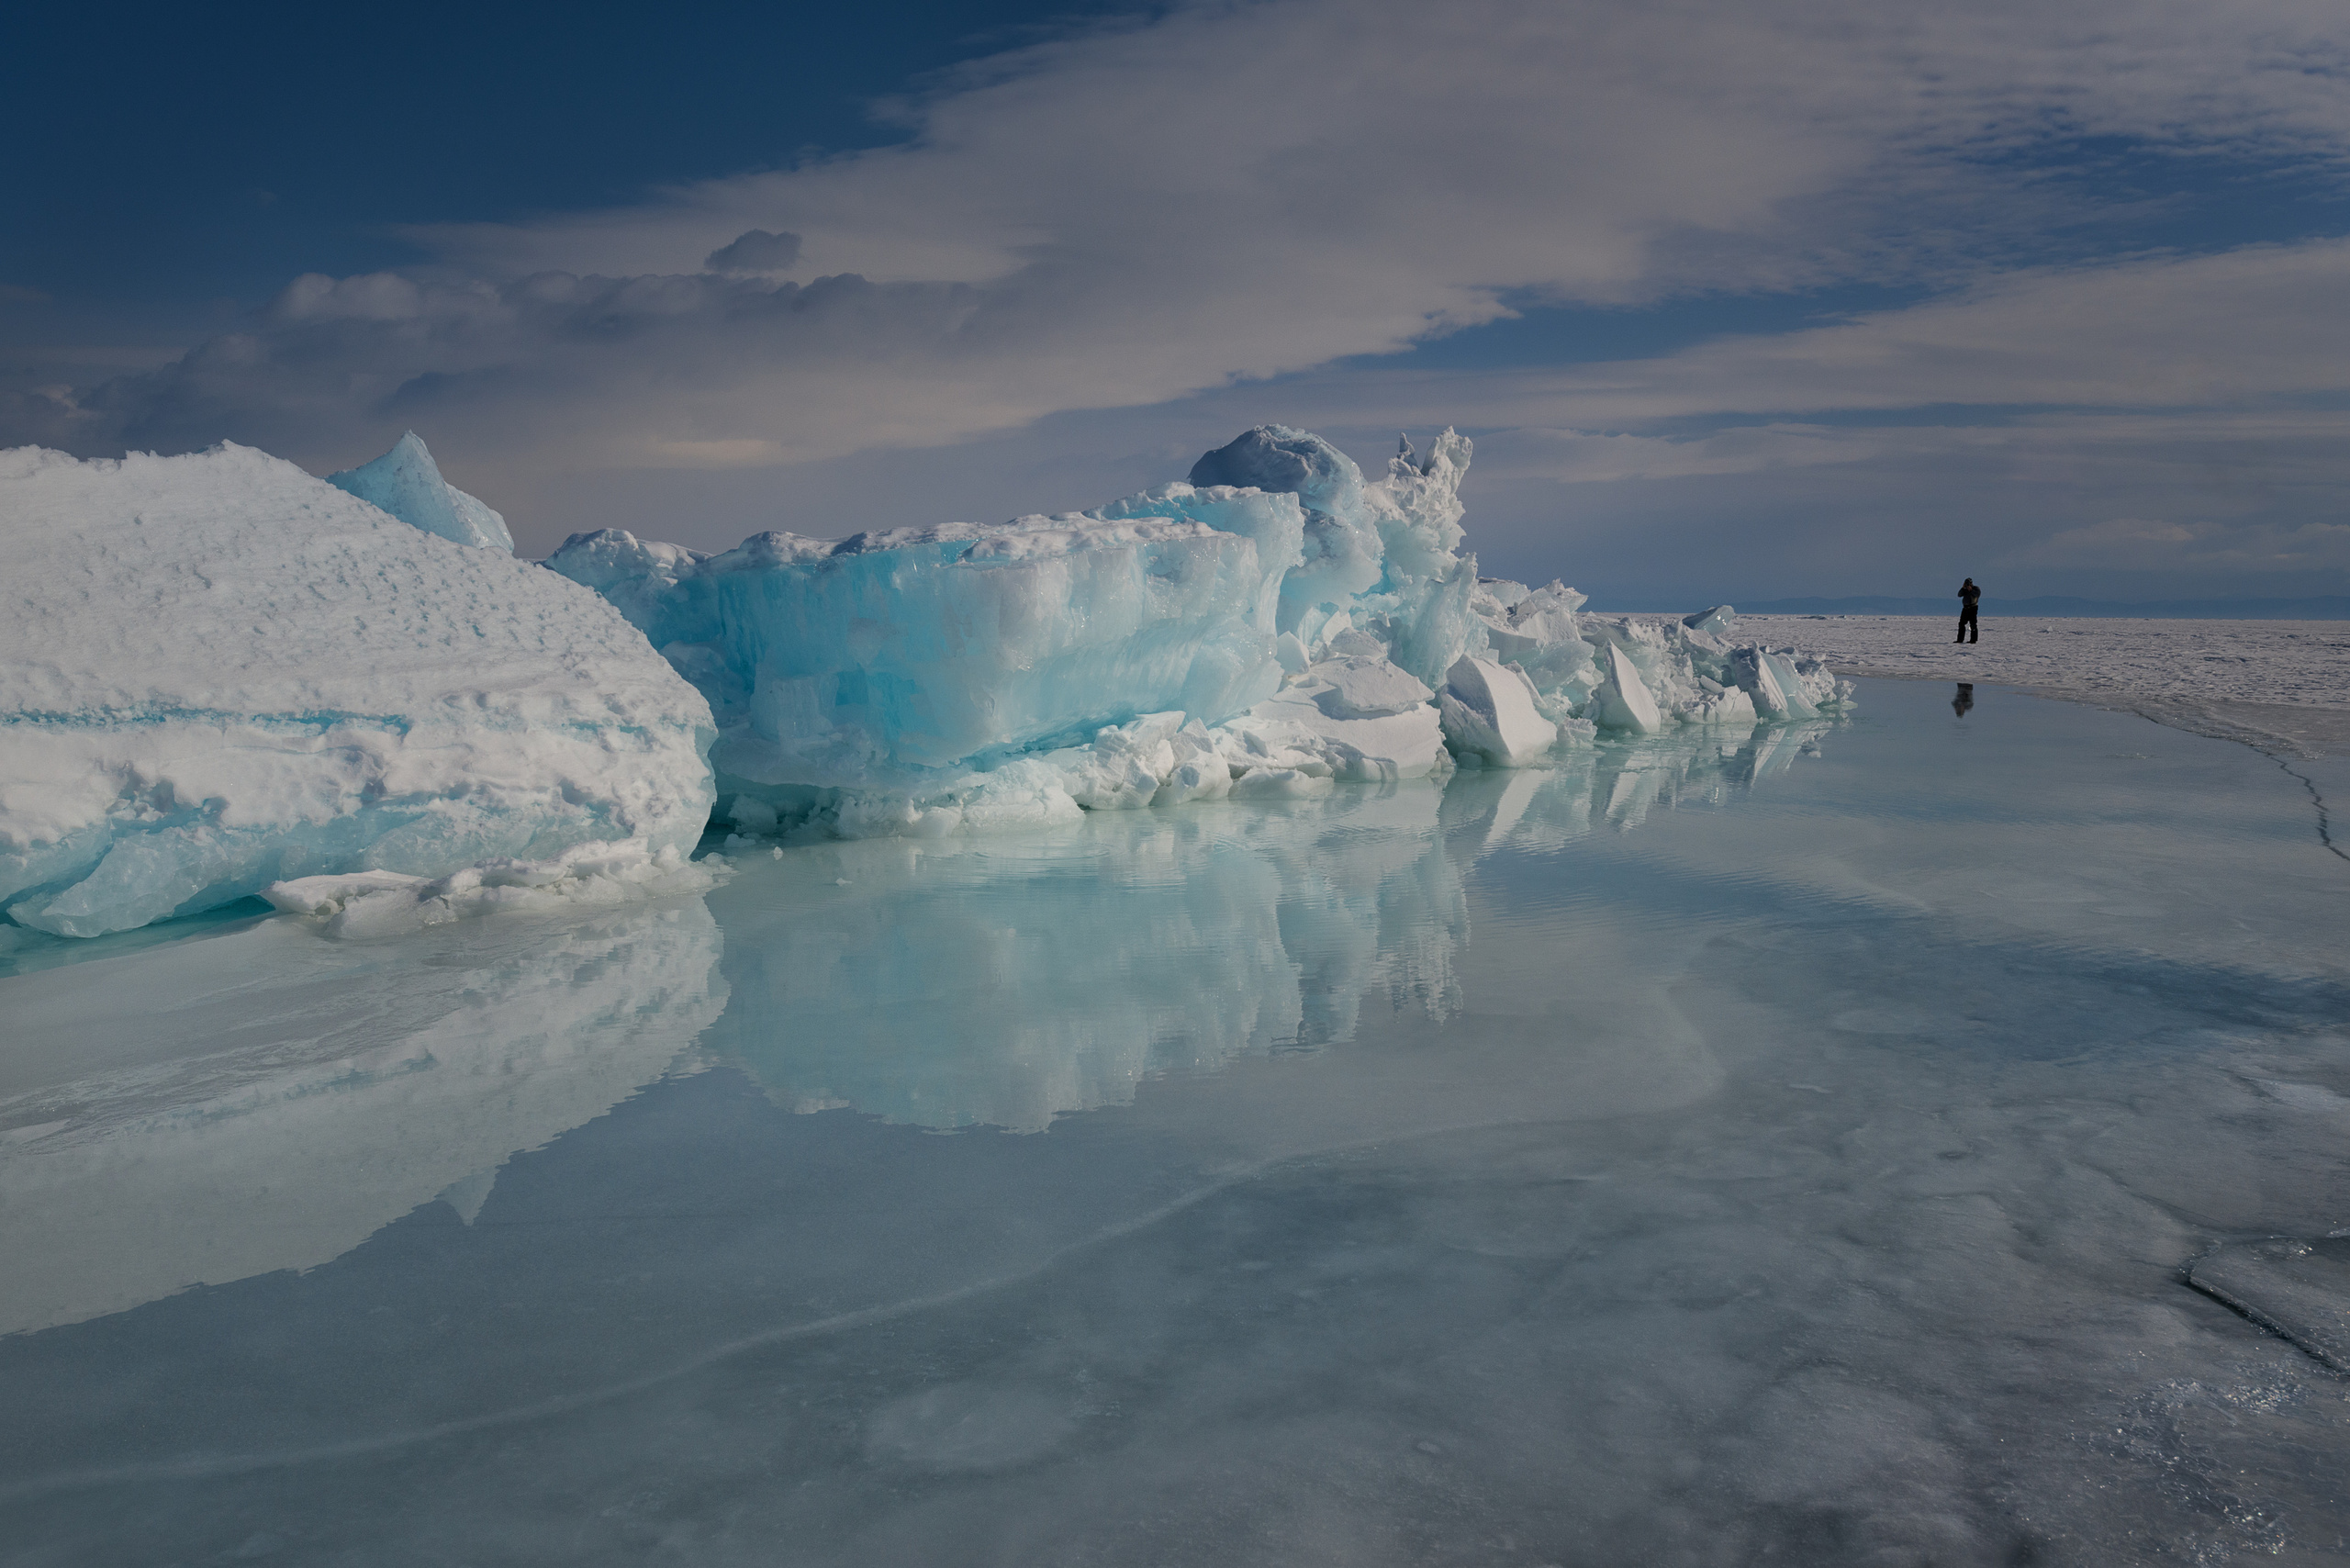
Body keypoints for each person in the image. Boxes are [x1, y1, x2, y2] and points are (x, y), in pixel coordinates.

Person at [1954, 578, 1981, 644]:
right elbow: (1959, 595)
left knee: (1973, 624)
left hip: (1973, 608)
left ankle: (1973, 640)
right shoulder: (1964, 590)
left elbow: (1977, 595)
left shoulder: (1976, 589)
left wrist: (1971, 590)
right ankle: (1960, 639)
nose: (1968, 585)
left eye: (1969, 583)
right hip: (1965, 609)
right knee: (1961, 624)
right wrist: (1963, 588)